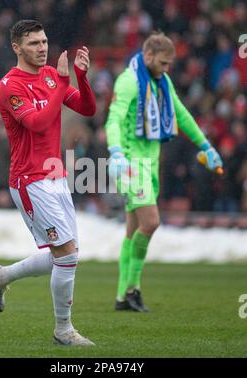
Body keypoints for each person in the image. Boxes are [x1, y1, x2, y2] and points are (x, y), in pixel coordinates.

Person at [0, 20, 96, 346]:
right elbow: (36, 122)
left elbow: (87, 109)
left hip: (55, 175)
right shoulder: (10, 85)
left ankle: (1, 276)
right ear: (16, 47)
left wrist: (81, 78)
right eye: (34, 43)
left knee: (65, 254)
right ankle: (63, 331)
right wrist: (62, 82)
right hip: (29, 180)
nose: (42, 48)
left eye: (44, 41)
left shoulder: (50, 76)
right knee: (67, 254)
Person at [105, 32, 223, 312]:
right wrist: (116, 151)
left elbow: (181, 113)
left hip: (151, 161)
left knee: (133, 229)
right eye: (164, 63)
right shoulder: (129, 81)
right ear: (148, 56)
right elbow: (114, 118)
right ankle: (133, 289)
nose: (167, 69)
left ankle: (123, 296)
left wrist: (206, 145)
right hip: (132, 164)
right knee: (151, 222)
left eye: (169, 64)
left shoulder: (161, 81)